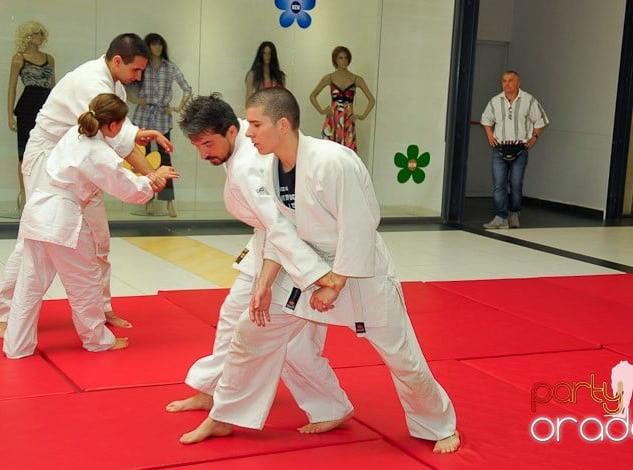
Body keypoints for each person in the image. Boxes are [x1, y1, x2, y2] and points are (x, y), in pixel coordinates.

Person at [179, 88, 460, 454]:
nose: (248, 133)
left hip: (359, 273)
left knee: (402, 357)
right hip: (304, 270)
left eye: (256, 125)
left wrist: (335, 281)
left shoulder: (334, 162)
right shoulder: (266, 167)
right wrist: (265, 284)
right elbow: (277, 231)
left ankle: (438, 424)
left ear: (282, 124)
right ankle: (223, 414)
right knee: (252, 331)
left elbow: (360, 226)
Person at [168, 93, 354, 434]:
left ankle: (330, 405)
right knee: (232, 319)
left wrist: (277, 281)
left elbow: (281, 225)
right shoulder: (240, 140)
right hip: (267, 246)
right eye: (197, 145)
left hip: (300, 252)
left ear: (229, 131)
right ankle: (216, 393)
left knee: (295, 342)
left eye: (207, 143)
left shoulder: (249, 164)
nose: (203, 153)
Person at [0, 33, 172, 339]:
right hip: (50, 158)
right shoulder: (91, 80)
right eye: (136, 70)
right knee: (34, 239)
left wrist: (140, 140)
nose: (139, 76)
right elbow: (120, 141)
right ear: (117, 60)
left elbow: (120, 135)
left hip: (82, 161)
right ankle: (1, 313)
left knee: (99, 237)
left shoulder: (114, 86)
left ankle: (101, 306)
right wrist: (152, 176)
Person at [3, 94, 179, 359]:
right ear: (114, 126)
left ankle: (16, 346)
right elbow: (128, 189)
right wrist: (154, 179)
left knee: (30, 283)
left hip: (38, 210)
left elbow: (118, 170)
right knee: (84, 281)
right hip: (61, 218)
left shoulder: (76, 133)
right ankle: (97, 340)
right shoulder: (97, 153)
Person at [128, 33, 191, 217]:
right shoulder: (143, 66)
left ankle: (169, 201)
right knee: (143, 158)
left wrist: (177, 107)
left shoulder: (169, 68)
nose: (157, 48)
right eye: (153, 45)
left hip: (162, 118)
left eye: (159, 45)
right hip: (144, 117)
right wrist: (135, 99)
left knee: (165, 158)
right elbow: (125, 84)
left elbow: (186, 87)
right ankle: (147, 200)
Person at [480, 70, 548, 229]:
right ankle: (500, 217)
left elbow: (540, 120)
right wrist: (490, 135)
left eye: (510, 80)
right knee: (499, 184)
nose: (507, 84)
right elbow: (486, 119)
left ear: (518, 83)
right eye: (504, 81)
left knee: (516, 183)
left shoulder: (529, 100)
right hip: (500, 147)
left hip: (520, 148)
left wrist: (534, 137)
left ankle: (514, 214)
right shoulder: (495, 101)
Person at [7, 21, 56, 212]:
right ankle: (24, 193)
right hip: (27, 106)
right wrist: (9, 114)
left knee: (46, 151)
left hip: (45, 106)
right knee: (24, 152)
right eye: (36, 33)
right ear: (27, 35)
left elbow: (53, 85)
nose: (40, 37)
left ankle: (43, 193)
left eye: (42, 33)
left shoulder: (49, 58)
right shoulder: (19, 58)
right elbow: (11, 86)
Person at [309, 45, 375, 153]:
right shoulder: (329, 78)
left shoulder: (357, 79)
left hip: (348, 121)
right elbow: (312, 96)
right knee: (328, 154)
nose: (344, 61)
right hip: (332, 120)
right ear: (335, 59)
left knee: (348, 155)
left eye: (346, 58)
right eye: (340, 58)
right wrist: (322, 111)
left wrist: (361, 116)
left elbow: (371, 100)